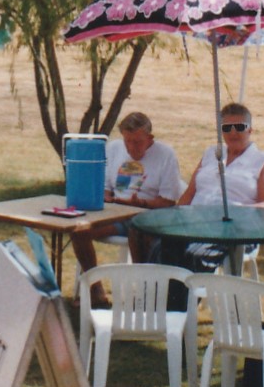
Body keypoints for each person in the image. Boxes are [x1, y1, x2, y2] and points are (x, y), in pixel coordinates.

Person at [71, 112, 182, 287]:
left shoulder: (165, 154)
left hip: (146, 215)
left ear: (150, 138)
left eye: (137, 142)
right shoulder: (114, 148)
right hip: (116, 212)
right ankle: (94, 288)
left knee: (139, 232)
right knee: (79, 230)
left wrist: (141, 204)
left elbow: (168, 201)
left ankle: (143, 290)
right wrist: (106, 197)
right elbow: (105, 187)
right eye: (127, 141)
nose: (131, 147)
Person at [176, 103, 264, 272]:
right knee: (160, 244)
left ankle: (189, 289)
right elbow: (190, 193)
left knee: (193, 255)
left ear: (250, 130)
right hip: (196, 223)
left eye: (239, 127)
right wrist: (174, 217)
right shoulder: (211, 154)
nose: (233, 133)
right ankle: (157, 288)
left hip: (234, 230)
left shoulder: (263, 162)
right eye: (227, 128)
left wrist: (236, 212)